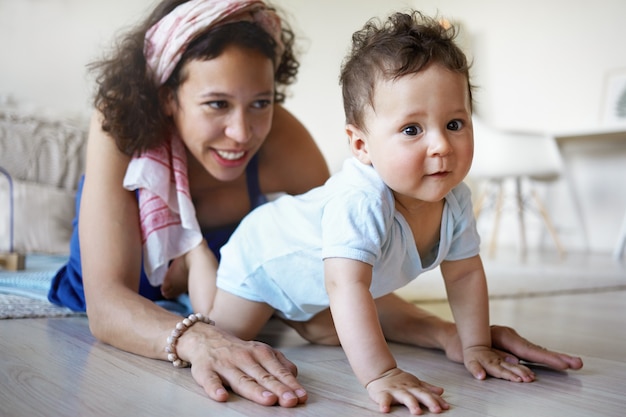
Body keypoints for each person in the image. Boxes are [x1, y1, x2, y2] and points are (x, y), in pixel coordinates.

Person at [46, 0, 581, 411]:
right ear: (168, 99)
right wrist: (377, 374)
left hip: (276, 262)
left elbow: (343, 278)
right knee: (233, 332)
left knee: (301, 319)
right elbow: (107, 305)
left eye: (262, 102)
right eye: (215, 104)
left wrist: (462, 338)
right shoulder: (119, 124)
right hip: (196, 274)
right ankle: (196, 259)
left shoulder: (289, 145)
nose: (242, 131)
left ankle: (197, 263)